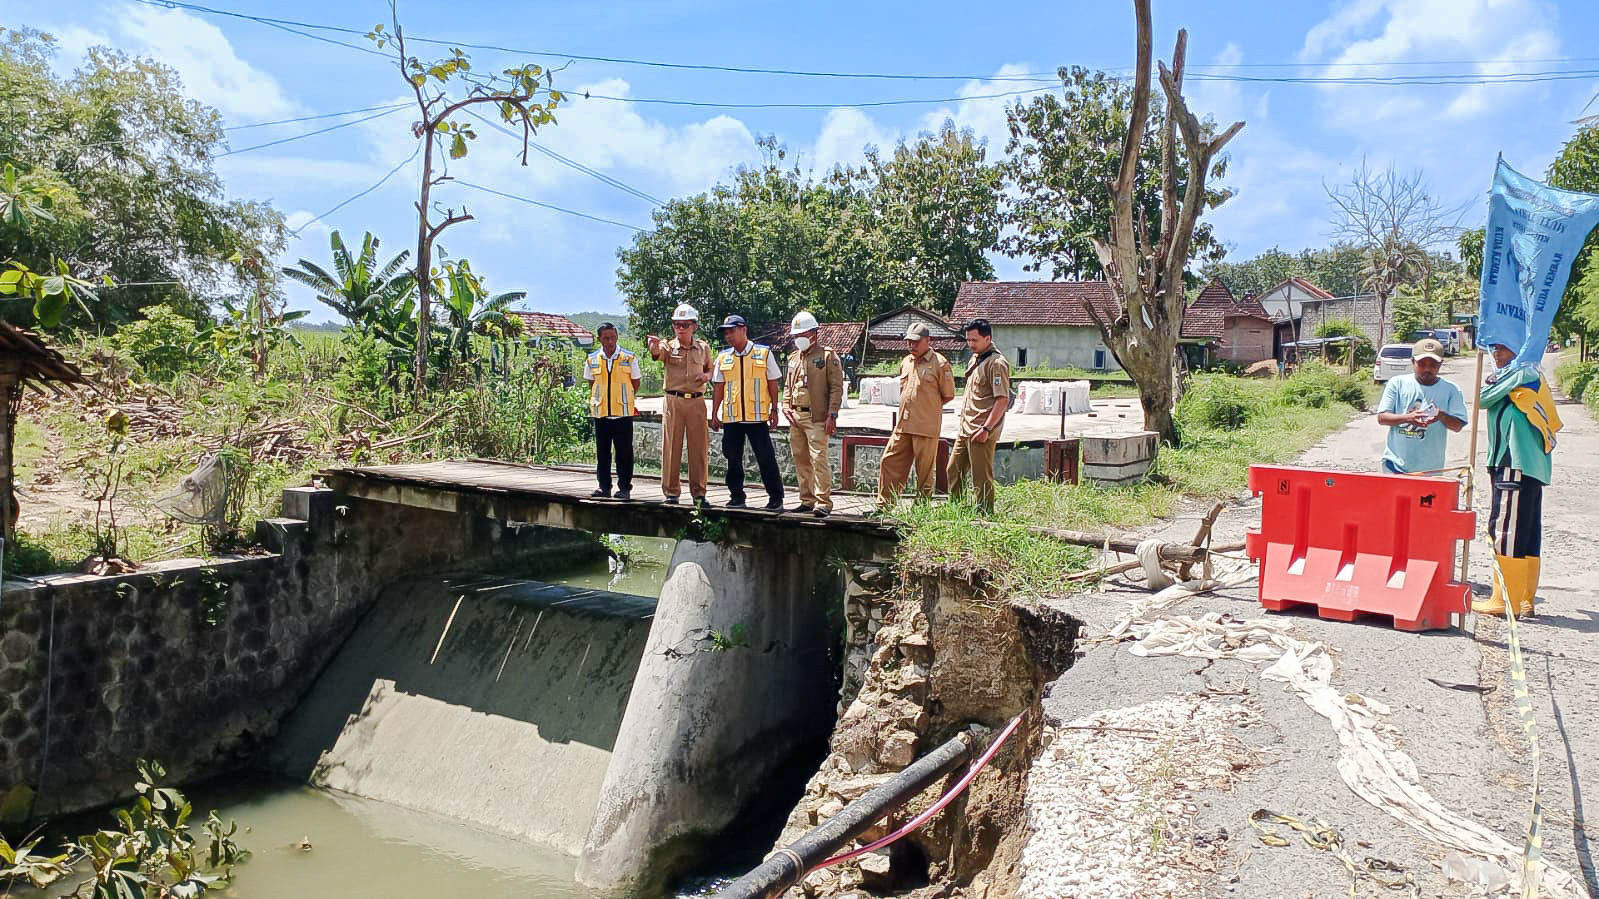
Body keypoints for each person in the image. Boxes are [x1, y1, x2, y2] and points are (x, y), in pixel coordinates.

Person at [1472, 342, 1562, 617]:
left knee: (1506, 531)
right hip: (1532, 466)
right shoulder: (1528, 376)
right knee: (1526, 531)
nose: (1497, 353)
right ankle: (1524, 599)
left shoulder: (1524, 374)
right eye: (1494, 349)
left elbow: (1482, 399)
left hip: (1514, 462)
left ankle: (1503, 600)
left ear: (1521, 352)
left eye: (1504, 348)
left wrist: (1499, 380)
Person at [876, 321, 955, 509]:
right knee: (889, 461)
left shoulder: (940, 363)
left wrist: (927, 408)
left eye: (916, 342)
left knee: (924, 472)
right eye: (909, 342)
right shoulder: (906, 362)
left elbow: (948, 395)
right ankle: (884, 506)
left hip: (925, 427)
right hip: (903, 425)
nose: (911, 346)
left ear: (928, 340)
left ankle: (921, 509)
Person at [710, 315, 785, 510]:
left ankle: (776, 498)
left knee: (766, 458)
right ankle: (736, 496)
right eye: (726, 333)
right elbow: (718, 386)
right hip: (732, 417)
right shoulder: (723, 357)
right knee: (732, 459)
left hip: (757, 417)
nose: (728, 336)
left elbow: (773, 383)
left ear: (743, 329)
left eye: (731, 331)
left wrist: (774, 409)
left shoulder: (764, 353)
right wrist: (714, 413)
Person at [646, 304, 713, 506]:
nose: (680, 328)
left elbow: (710, 368)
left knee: (698, 448)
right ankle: (671, 492)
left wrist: (706, 376)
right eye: (676, 324)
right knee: (672, 446)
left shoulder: (703, 348)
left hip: (696, 401)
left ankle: (699, 494)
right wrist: (654, 346)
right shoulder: (668, 346)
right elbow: (658, 353)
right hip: (673, 400)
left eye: (684, 324)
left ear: (694, 326)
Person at [784, 310, 845, 517]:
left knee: (819, 459)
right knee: (800, 459)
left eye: (802, 334)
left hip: (817, 417)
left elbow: (836, 388)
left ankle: (823, 502)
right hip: (796, 416)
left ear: (814, 333)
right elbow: (787, 386)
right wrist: (785, 406)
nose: (798, 339)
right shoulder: (794, 358)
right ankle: (806, 499)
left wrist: (832, 415)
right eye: (795, 335)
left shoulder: (827, 356)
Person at [1374, 338, 1466, 475]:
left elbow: (1457, 426)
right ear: (1412, 362)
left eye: (1433, 364)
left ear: (1440, 364)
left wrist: (1441, 415)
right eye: (1422, 364)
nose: (1427, 369)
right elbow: (1382, 418)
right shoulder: (1397, 384)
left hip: (1431, 470)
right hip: (1395, 466)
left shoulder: (1451, 390)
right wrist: (1408, 418)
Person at [947, 319, 1011, 512]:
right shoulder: (975, 359)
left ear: (987, 338)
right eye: (968, 339)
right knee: (953, 470)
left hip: (982, 429)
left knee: (981, 477)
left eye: (975, 340)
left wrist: (986, 428)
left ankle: (985, 515)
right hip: (966, 428)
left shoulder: (996, 363)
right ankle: (956, 511)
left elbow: (1002, 400)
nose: (970, 344)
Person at [584, 323, 642, 499]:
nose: (610, 341)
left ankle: (624, 488)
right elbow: (591, 382)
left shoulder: (629, 358)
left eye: (613, 337)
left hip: (623, 412)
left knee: (624, 452)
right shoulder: (592, 359)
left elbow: (635, 382)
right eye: (606, 338)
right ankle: (604, 487)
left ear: (617, 336)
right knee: (602, 452)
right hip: (601, 413)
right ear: (599, 339)